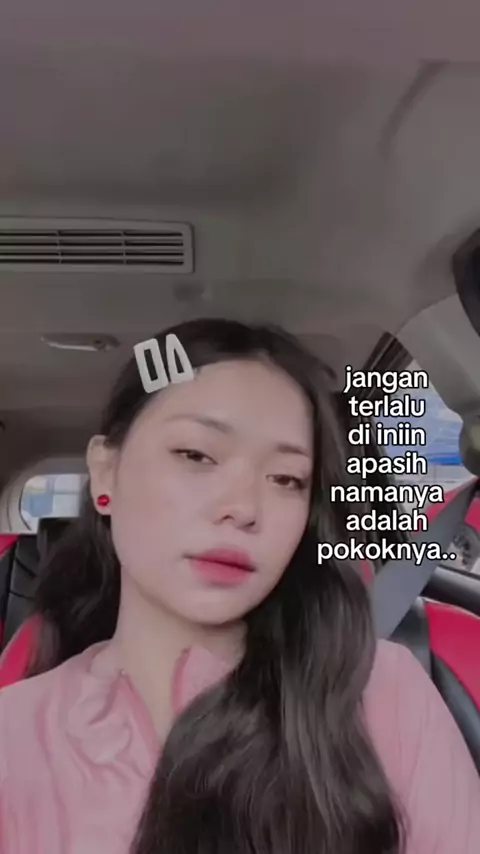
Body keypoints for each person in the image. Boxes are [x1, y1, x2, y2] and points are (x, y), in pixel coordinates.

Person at [0, 318, 479, 854]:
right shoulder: (14, 738)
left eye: (286, 479)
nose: (244, 507)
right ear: (105, 471)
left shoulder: (384, 691)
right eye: (196, 455)